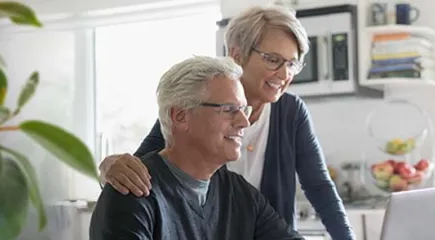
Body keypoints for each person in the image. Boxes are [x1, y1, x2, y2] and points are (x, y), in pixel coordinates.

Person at [95, 4, 355, 240]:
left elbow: (320, 187)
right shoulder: (195, 103)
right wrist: (109, 168)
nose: (284, 74)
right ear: (236, 54)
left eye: (292, 63)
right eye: (273, 60)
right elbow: (144, 174)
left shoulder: (289, 114)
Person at [89, 56, 303, 240]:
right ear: (180, 116)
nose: (244, 122)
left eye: (242, 109)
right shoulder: (131, 194)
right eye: (229, 110)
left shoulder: (240, 195)